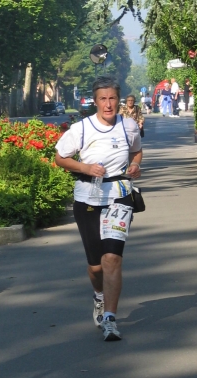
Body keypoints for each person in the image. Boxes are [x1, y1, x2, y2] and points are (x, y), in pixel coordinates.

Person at [55, 76, 143, 341]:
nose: (108, 104)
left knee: (112, 259)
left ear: (119, 100)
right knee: (96, 267)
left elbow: (136, 151)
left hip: (119, 196)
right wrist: (85, 168)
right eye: (103, 99)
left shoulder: (128, 126)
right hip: (88, 197)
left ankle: (110, 319)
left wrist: (136, 165)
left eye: (112, 98)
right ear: (95, 101)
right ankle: (99, 296)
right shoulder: (81, 129)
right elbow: (60, 157)